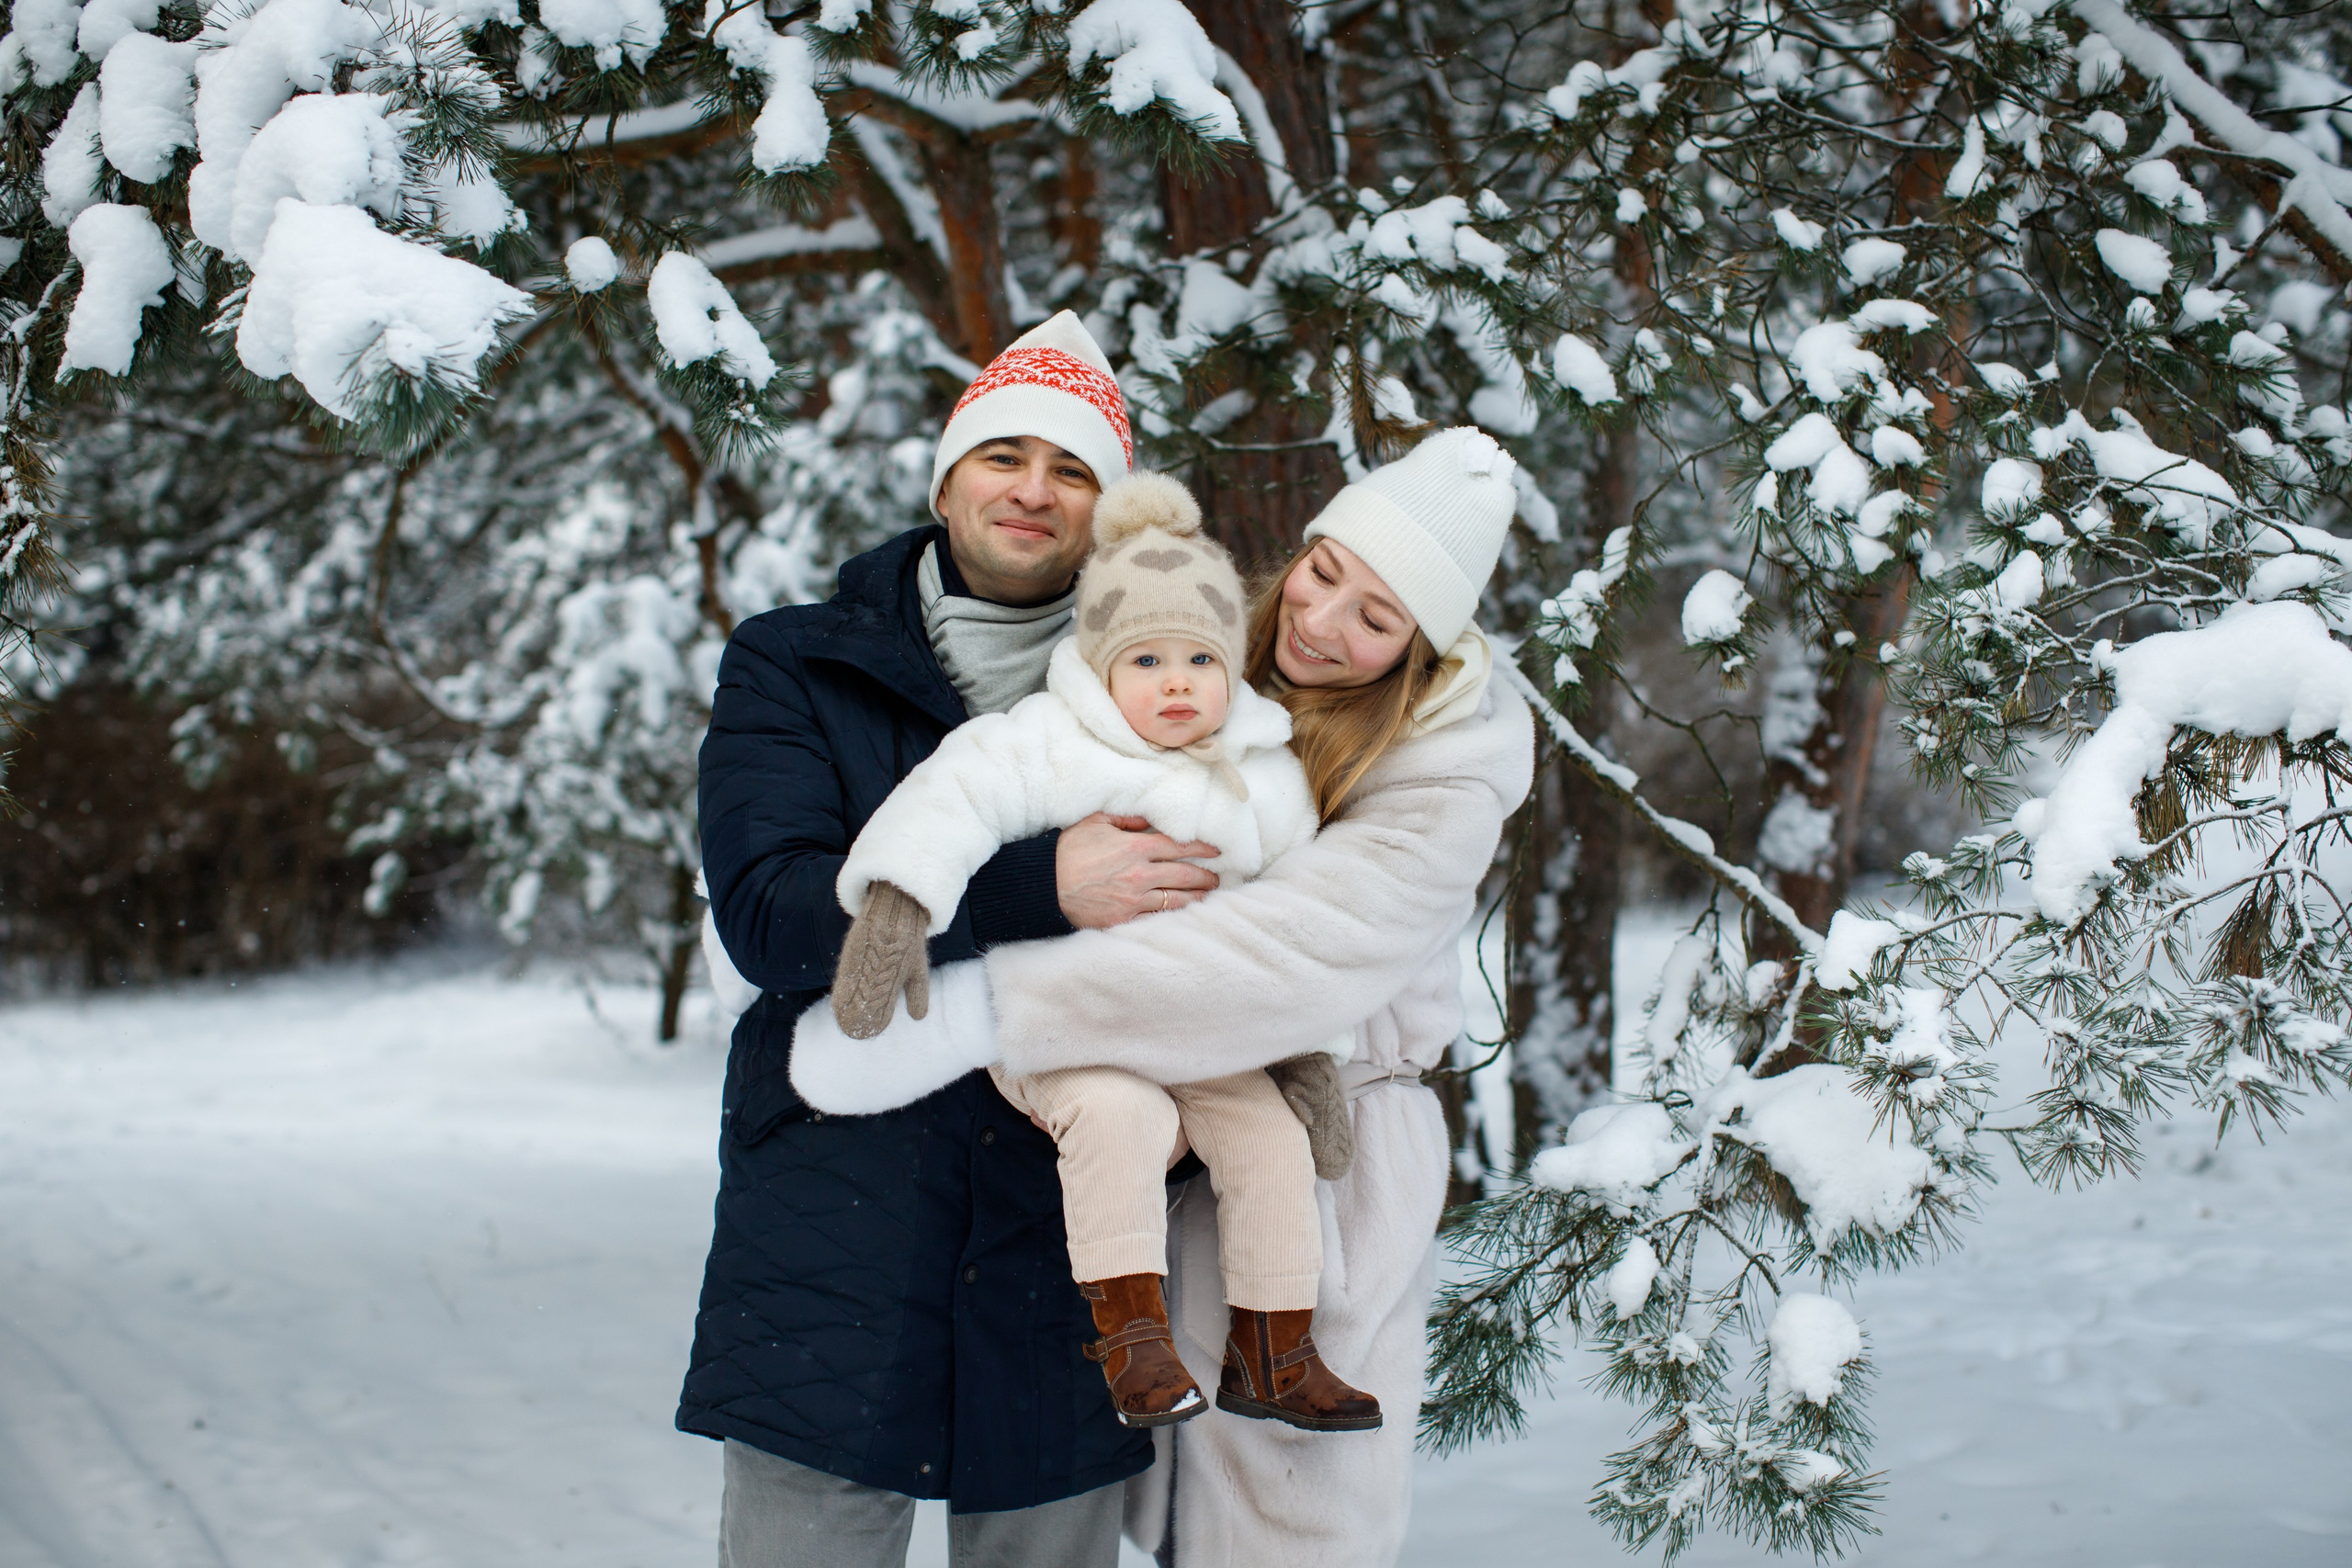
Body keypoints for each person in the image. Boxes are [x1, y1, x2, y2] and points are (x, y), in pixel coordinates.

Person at [822, 425, 1538, 1565]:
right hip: (1167, 1136)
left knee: (1288, 1528)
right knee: (1151, 1508)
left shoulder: (1441, 771)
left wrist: (999, 1000)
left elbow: (1278, 959)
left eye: (1377, 617)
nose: (1321, 621)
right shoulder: (1206, 664)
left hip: (1323, 1151)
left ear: (1422, 648)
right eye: (1324, 572)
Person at [684, 310, 1224, 1568]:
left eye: (1075, 468)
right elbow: (771, 912)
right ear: (947, 477)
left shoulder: (1170, 692)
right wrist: (1042, 884)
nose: (1034, 490)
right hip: (831, 1229)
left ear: (1110, 510)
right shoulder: (797, 665)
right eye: (1005, 455)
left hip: (1068, 1249)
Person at [794, 470, 1376, 1437]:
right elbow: (950, 803)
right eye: (1146, 659)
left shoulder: (1264, 774)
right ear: (1102, 667)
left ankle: (1273, 1350)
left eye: (1199, 657)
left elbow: (1302, 922)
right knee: (1118, 1117)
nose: (1177, 682)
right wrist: (897, 903)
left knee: (1269, 1139)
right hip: (1070, 1024)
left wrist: (1310, 1050)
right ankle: (1133, 1338)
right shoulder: (1046, 742)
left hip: (1206, 1031)